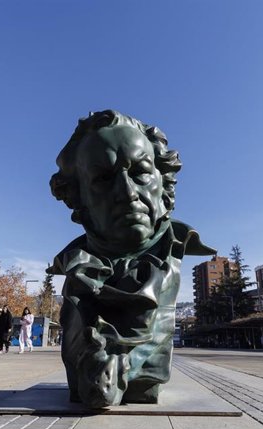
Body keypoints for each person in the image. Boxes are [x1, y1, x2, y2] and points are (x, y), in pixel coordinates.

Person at [49, 110, 215, 407]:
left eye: (139, 172)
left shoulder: (170, 262)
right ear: (78, 196)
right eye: (103, 178)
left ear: (163, 183)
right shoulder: (78, 272)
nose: (126, 193)